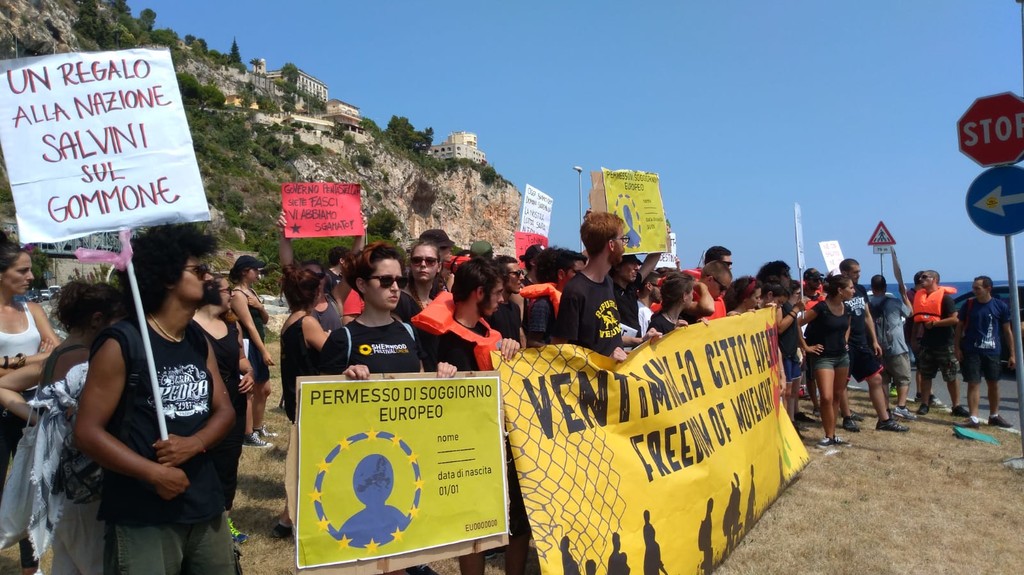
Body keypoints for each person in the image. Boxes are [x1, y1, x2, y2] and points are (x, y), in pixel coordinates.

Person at [75, 225, 236, 574]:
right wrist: (152, 473)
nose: (208, 277)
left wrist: (195, 443)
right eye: (198, 270)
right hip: (142, 513)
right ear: (166, 278)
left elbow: (224, 410)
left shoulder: (196, 339)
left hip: (203, 503)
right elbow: (87, 432)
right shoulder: (122, 342)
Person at [0, 281, 123, 575]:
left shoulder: (60, 352)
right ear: (97, 320)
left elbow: (5, 385)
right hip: (82, 482)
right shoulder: (83, 358)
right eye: (119, 322)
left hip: (60, 480)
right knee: (94, 563)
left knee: (68, 563)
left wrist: (38, 418)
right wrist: (41, 419)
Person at [412, 257, 523, 575]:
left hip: (502, 442)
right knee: (472, 528)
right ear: (479, 292)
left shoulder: (493, 334)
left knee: (517, 522)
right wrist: (436, 378)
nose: (502, 299)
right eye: (497, 293)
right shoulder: (436, 339)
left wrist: (511, 349)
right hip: (463, 450)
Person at [0, 234, 60, 575]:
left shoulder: (33, 309)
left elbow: (54, 357)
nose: (31, 276)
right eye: (22, 271)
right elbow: (43, 357)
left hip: (32, 408)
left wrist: (10, 364)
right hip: (5, 409)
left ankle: (31, 568)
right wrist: (34, 358)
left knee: (33, 487)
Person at [193, 273, 256, 544]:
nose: (231, 295)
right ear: (209, 292)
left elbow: (241, 359)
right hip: (203, 405)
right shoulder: (189, 327)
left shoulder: (232, 325)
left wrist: (250, 373)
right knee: (203, 465)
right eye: (226, 290)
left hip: (234, 402)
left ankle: (224, 524)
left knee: (229, 464)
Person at [271, 265, 331, 539]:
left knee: (305, 459)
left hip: (296, 398)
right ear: (316, 293)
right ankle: (289, 519)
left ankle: (287, 518)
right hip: (311, 402)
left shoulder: (290, 320)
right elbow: (331, 350)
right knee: (310, 462)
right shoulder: (307, 322)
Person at [551, 212, 636, 360]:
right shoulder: (575, 291)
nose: (624, 245)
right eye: (622, 239)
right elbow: (559, 351)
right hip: (592, 374)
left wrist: (642, 340)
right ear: (611, 245)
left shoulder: (608, 282)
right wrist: (605, 361)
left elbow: (606, 337)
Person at [838, 259, 907, 433]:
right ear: (845, 272)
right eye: (855, 272)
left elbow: (867, 315)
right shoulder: (839, 291)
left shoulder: (860, 290)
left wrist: (874, 340)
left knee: (876, 378)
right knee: (842, 383)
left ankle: (884, 420)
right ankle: (847, 417)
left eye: (859, 271)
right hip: (846, 344)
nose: (859, 274)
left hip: (862, 342)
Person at [799, 275, 855, 448]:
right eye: (850, 287)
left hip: (842, 357)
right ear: (840, 290)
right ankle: (828, 435)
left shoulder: (847, 307)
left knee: (837, 395)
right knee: (826, 396)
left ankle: (832, 434)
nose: (853, 291)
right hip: (824, 357)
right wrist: (805, 347)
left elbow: (847, 325)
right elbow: (797, 323)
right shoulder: (821, 308)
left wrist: (845, 340)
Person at [954, 276, 1015, 429]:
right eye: (973, 287)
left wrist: (1012, 354)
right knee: (973, 383)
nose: (974, 291)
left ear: (988, 289)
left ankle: (994, 415)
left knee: (993, 383)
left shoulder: (1000, 306)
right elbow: (959, 327)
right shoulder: (969, 305)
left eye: (977, 288)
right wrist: (957, 348)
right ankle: (973, 418)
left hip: (993, 351)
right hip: (972, 351)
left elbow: (1007, 331)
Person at [229, 254, 275, 448]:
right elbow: (249, 325)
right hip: (248, 344)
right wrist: (264, 351)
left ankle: (257, 426)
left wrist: (260, 306)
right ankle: (248, 433)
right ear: (244, 271)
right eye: (254, 269)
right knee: (250, 390)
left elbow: (264, 320)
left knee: (264, 389)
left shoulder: (252, 292)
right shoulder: (238, 295)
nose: (258, 272)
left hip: (258, 342)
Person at [868, 250, 917, 420]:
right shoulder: (894, 302)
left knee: (883, 380)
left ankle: (886, 408)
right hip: (896, 346)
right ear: (885, 287)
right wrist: (904, 295)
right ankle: (901, 407)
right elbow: (910, 313)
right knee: (903, 378)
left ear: (872, 287)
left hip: (877, 347)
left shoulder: (868, 304)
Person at [912, 270, 963, 416]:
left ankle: (956, 406)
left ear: (934, 279)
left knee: (951, 376)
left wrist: (935, 324)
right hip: (927, 344)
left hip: (945, 344)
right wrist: (913, 339)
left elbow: (955, 319)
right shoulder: (921, 298)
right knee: (925, 375)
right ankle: (924, 404)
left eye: (924, 277)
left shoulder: (946, 299)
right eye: (920, 277)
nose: (921, 279)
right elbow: (917, 321)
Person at [521, 247, 587, 348]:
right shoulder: (543, 305)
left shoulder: (579, 302)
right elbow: (532, 343)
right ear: (561, 274)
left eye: (584, 274)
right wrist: (560, 351)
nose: (583, 279)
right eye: (577, 273)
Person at [486, 255, 526, 345]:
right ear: (502, 276)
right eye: (516, 273)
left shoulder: (515, 308)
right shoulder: (489, 308)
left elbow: (520, 336)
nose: (522, 277)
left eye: (521, 272)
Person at [398, 239, 443, 320]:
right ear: (410, 265)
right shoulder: (399, 299)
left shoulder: (438, 303)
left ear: (439, 267)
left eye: (430, 261)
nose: (423, 264)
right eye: (417, 260)